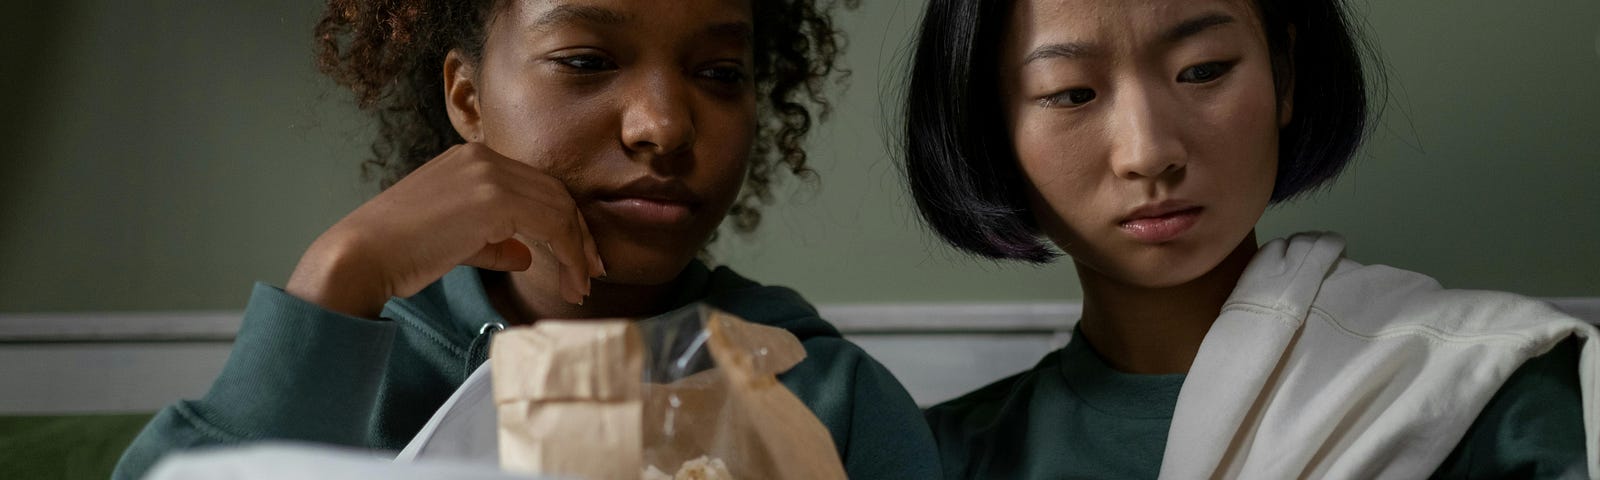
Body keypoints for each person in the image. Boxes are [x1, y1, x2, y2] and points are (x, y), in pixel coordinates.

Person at [114, 1, 940, 479]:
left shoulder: (832, 397)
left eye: (721, 74)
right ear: (468, 100)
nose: (663, 125)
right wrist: (341, 274)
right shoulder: (353, 366)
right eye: (585, 60)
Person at [900, 0, 1596, 478]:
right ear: (988, 125)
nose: (1148, 152)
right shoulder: (929, 455)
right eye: (1070, 93)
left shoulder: (1492, 392)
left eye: (1202, 71)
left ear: (1283, 75)